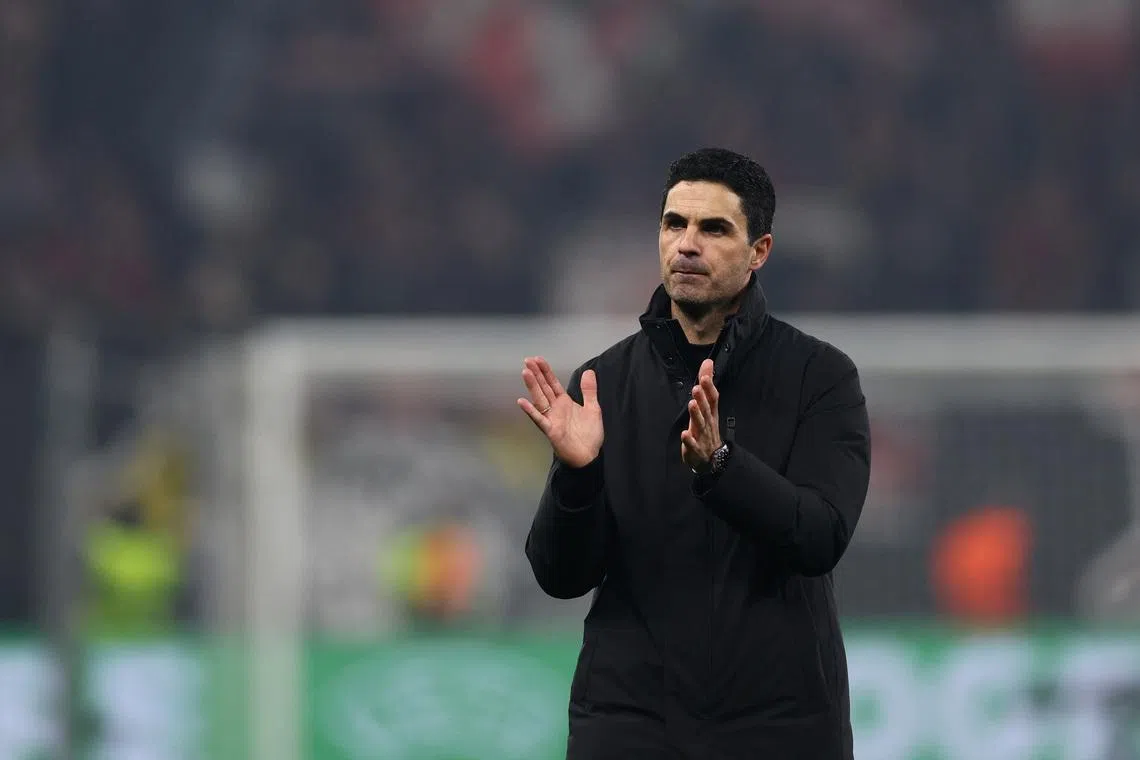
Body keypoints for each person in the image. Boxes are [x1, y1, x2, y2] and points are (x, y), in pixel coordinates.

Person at [518, 147, 872, 759]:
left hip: (779, 726)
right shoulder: (603, 384)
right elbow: (560, 577)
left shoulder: (820, 377)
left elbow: (821, 536)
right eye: (674, 223)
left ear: (758, 252)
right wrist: (577, 478)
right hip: (632, 723)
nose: (686, 244)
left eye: (713, 228)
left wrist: (722, 469)